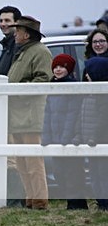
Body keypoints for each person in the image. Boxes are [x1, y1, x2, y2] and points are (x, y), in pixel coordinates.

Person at [6, 16, 53, 210]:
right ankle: (30, 198)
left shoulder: (40, 52)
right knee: (21, 161)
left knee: (33, 160)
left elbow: (43, 79)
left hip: (31, 114)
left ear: (26, 34)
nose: (15, 33)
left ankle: (40, 200)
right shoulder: (23, 52)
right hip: (17, 114)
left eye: (18, 30)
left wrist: (20, 90)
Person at [41, 54, 88, 210]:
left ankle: (77, 204)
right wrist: (46, 136)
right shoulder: (52, 87)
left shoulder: (73, 87)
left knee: (73, 172)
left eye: (62, 66)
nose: (58, 69)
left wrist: (66, 137)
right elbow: (47, 113)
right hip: (55, 138)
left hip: (69, 139)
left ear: (69, 69)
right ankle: (69, 200)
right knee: (58, 172)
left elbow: (73, 114)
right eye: (55, 67)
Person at [0, 5, 27, 207]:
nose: (3, 24)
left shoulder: (17, 47)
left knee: (13, 157)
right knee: (8, 156)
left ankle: (15, 200)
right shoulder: (6, 46)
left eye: (7, 20)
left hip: (15, 110)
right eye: (1, 20)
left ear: (17, 23)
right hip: (4, 109)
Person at [80, 36, 108, 210]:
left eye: (102, 40)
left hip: (99, 136)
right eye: (95, 41)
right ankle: (101, 202)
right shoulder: (89, 94)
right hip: (89, 135)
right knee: (95, 171)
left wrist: (94, 135)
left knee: (103, 171)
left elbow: (102, 116)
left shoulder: (102, 97)